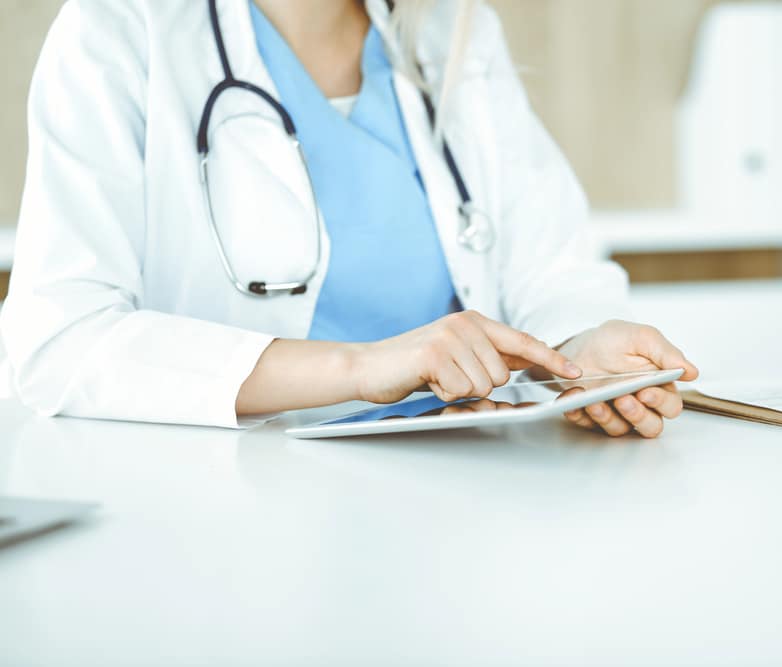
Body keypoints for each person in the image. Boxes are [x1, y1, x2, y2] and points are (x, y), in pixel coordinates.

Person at [0, 0, 697, 437]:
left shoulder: (452, 33)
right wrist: (360, 367)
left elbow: (555, 268)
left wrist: (578, 352)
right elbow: (59, 342)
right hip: (232, 521)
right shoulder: (120, 31)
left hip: (471, 504)